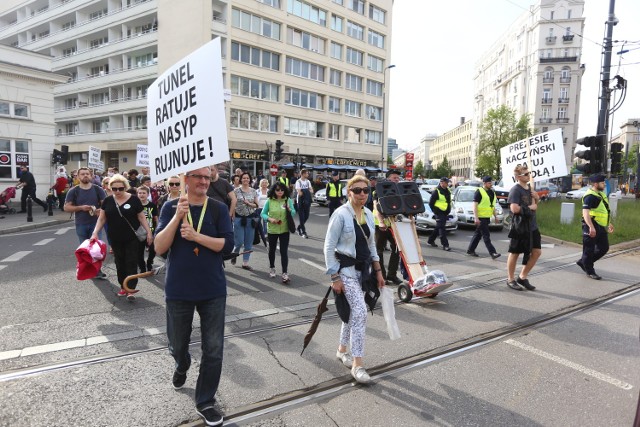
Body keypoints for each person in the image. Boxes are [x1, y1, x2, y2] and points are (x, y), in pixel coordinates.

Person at [154, 166, 233, 427]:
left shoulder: (218, 208)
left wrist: (197, 236)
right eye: (197, 176)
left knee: (214, 349)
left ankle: (205, 401)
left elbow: (227, 245)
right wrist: (177, 218)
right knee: (177, 343)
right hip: (179, 289)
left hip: (212, 289)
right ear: (185, 180)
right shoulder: (170, 207)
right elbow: (159, 247)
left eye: (206, 177)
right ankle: (181, 362)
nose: (202, 181)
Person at [324, 175, 385, 384]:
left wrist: (378, 270)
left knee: (352, 314)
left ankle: (342, 350)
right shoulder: (340, 215)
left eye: (365, 190)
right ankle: (358, 365)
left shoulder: (368, 214)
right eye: (357, 190)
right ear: (348, 192)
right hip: (345, 271)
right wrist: (334, 277)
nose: (362, 194)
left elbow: (372, 246)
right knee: (360, 313)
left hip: (363, 271)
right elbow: (328, 247)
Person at [91, 174, 153, 299]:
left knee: (131, 261)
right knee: (119, 262)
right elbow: (102, 218)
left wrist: (149, 232)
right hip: (115, 237)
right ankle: (123, 286)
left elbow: (141, 217)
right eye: (114, 189)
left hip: (132, 237)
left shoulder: (134, 199)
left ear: (125, 187)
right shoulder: (108, 201)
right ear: (110, 188)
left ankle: (130, 288)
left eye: (121, 188)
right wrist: (95, 232)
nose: (118, 191)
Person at [65, 167, 108, 278]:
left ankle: (97, 271)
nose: (85, 176)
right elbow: (66, 207)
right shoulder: (73, 191)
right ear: (78, 177)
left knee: (95, 249)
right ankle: (86, 269)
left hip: (96, 224)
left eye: (87, 174)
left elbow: (105, 205)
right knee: (84, 250)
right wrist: (80, 208)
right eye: (82, 174)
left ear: (91, 176)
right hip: (81, 223)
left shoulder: (98, 189)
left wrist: (99, 210)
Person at [506, 165, 540, 291]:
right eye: (526, 174)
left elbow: (535, 205)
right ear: (519, 177)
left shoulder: (530, 189)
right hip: (520, 226)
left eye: (529, 173)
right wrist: (531, 207)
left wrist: (536, 199)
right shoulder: (515, 190)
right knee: (515, 253)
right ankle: (510, 279)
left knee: (536, 252)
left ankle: (522, 277)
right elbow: (514, 208)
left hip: (532, 226)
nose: (528, 175)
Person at [577, 173, 614, 280]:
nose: (604, 185)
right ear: (595, 184)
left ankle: (583, 262)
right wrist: (590, 227)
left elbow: (604, 211)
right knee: (589, 249)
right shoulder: (590, 196)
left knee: (604, 248)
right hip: (591, 224)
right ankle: (590, 271)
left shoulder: (600, 194)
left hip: (601, 225)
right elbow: (585, 213)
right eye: (602, 183)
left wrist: (608, 223)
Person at [261, 182, 296, 283]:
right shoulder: (270, 201)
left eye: (282, 190)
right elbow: (262, 214)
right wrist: (270, 219)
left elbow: (293, 212)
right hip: (272, 229)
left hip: (285, 230)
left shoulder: (288, 200)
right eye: (277, 190)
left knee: (284, 251)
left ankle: (285, 273)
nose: (280, 192)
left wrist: (290, 210)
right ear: (274, 191)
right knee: (272, 250)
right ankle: (272, 267)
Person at [374, 169, 402, 284]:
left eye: (398, 178)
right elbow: (376, 205)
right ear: (389, 178)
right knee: (379, 251)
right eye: (395, 178)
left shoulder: (398, 189)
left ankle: (392, 274)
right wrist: (381, 221)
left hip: (393, 224)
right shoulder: (380, 187)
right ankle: (382, 276)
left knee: (396, 248)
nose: (397, 180)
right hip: (380, 224)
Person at [466, 176, 501, 259]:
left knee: (478, 235)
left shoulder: (492, 192)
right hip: (481, 217)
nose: (491, 184)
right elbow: (475, 206)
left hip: (487, 217)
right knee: (486, 235)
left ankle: (470, 250)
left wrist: (495, 216)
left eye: (491, 182)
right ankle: (493, 253)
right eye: (489, 183)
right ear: (484, 183)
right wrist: (476, 218)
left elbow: (492, 206)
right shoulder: (479, 192)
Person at [232, 172, 259, 269]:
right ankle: (235, 253)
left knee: (248, 242)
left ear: (250, 180)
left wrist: (249, 203)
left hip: (250, 218)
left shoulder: (253, 191)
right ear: (240, 179)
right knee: (239, 241)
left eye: (247, 178)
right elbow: (233, 203)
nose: (246, 180)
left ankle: (245, 262)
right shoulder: (236, 190)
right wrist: (233, 215)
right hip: (238, 218)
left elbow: (256, 205)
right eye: (244, 178)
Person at [427, 177, 452, 251]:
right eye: (446, 182)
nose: (448, 184)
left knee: (438, 227)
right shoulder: (436, 191)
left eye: (448, 182)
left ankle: (430, 240)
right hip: (439, 212)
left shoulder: (448, 190)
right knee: (442, 228)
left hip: (445, 212)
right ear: (442, 183)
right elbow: (431, 203)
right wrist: (435, 212)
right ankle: (445, 245)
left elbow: (448, 201)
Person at [137, 185, 158, 272]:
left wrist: (158, 229)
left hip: (151, 231)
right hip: (139, 232)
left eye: (144, 193)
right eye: (140, 193)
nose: (142, 195)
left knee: (153, 250)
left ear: (148, 194)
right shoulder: (135, 205)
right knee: (139, 252)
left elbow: (155, 218)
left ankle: (149, 262)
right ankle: (142, 267)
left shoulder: (152, 205)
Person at [295, 168, 313, 238]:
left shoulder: (308, 181)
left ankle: (299, 227)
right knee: (301, 217)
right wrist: (306, 190)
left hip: (307, 201)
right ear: (302, 174)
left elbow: (311, 190)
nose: (308, 174)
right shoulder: (298, 182)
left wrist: (304, 190)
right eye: (306, 173)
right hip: (300, 201)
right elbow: (299, 193)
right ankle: (303, 232)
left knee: (307, 216)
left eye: (308, 173)